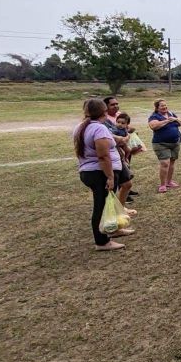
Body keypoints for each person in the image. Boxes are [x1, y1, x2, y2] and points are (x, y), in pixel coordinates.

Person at [74, 98, 133, 251]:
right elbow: (103, 156)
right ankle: (102, 242)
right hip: (99, 173)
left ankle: (113, 230)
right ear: (104, 111)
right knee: (101, 207)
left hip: (91, 172)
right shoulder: (99, 128)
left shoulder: (81, 127)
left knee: (109, 204)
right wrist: (110, 176)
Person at [148, 99, 181, 193]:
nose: (164, 107)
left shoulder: (171, 113)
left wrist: (175, 119)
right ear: (157, 108)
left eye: (165, 105)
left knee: (172, 162)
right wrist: (167, 120)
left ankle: (169, 182)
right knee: (165, 163)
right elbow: (153, 126)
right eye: (162, 106)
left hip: (175, 143)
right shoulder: (154, 116)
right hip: (161, 144)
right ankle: (163, 185)